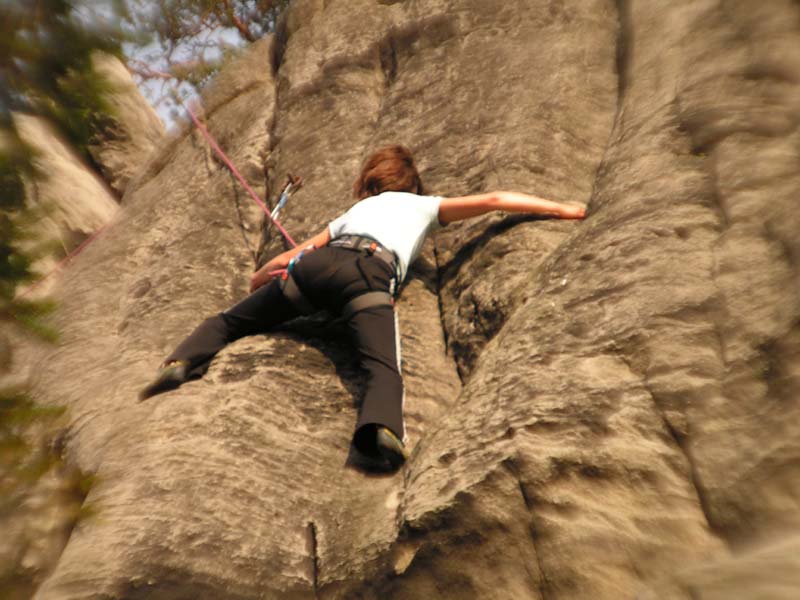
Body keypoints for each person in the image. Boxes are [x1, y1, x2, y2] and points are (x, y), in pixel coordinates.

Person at [139, 145, 585, 470]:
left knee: (229, 321)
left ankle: (180, 361)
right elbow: (493, 202)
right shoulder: (425, 205)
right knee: (381, 366)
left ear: (372, 181)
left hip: (314, 271)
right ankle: (380, 431)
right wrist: (561, 208)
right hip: (368, 275)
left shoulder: (357, 208)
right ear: (412, 184)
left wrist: (260, 279)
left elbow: (291, 258)